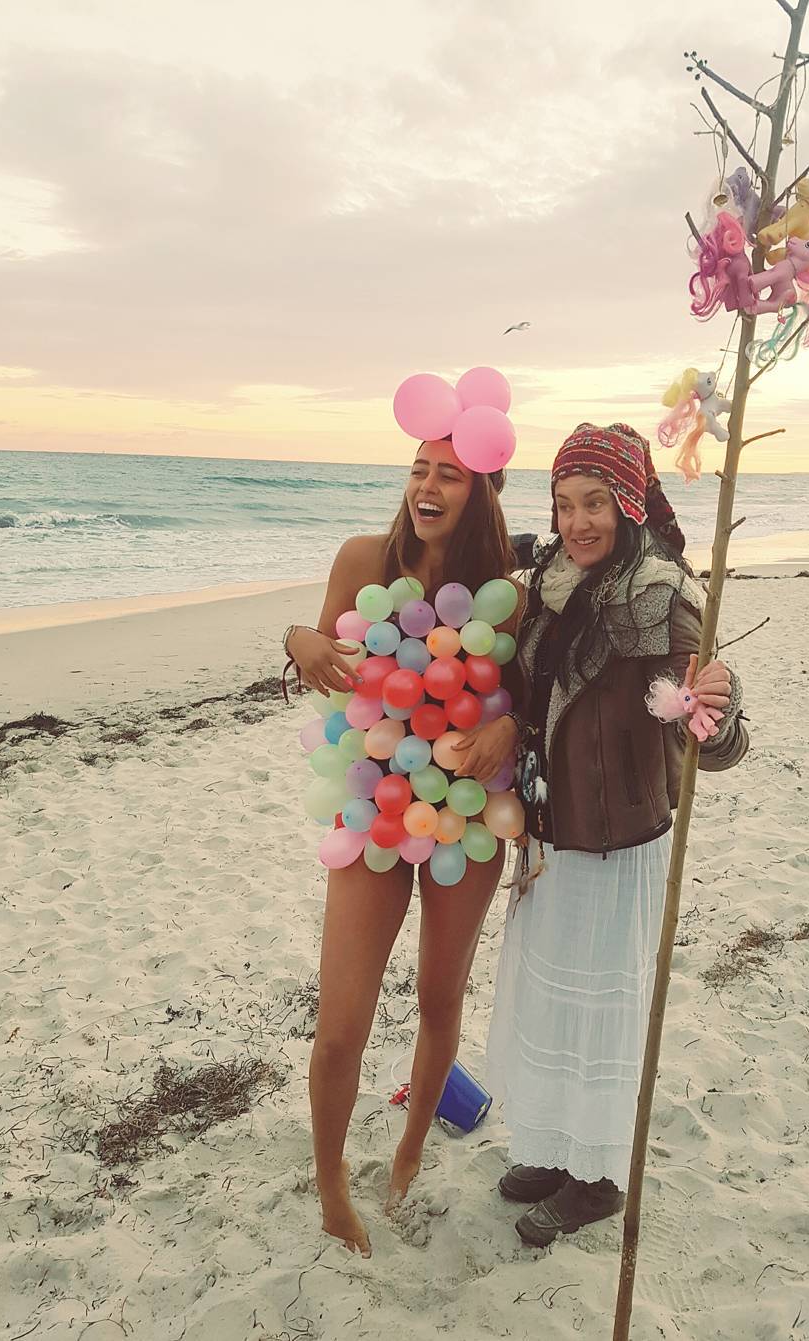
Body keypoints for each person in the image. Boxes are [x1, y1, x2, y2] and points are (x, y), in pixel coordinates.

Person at [475, 421, 749, 1246]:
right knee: (551, 1004)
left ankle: (597, 1177)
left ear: (628, 503)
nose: (577, 522)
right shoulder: (550, 582)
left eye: (594, 502)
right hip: (550, 829)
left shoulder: (664, 595)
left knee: (600, 1012)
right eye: (564, 504)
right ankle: (555, 1149)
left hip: (619, 837)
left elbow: (719, 744)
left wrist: (720, 704)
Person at [283, 437, 519, 1257]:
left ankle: (412, 1148)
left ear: (479, 491)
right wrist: (296, 638)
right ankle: (332, 1186)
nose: (428, 484)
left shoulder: (508, 595)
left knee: (439, 1000)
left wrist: (512, 727)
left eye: (448, 473)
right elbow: (321, 646)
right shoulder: (362, 560)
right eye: (420, 468)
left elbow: (537, 700)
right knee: (340, 1023)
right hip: (372, 811)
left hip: (466, 820)